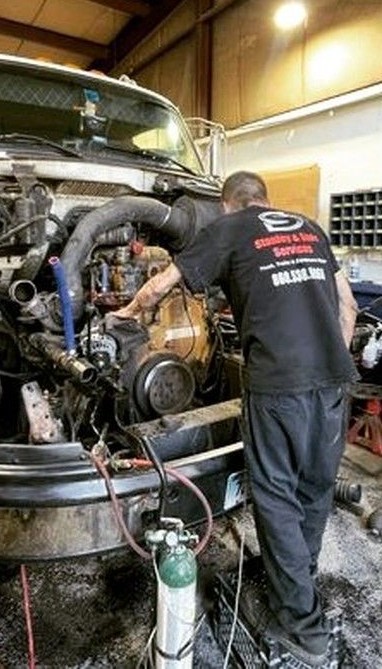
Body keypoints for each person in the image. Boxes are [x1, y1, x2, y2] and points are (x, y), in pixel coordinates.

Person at [113, 171, 358, 666]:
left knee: (276, 497)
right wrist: (328, 366)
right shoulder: (309, 227)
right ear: (264, 197)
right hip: (335, 382)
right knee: (313, 490)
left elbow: (162, 285)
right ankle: (296, 586)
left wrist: (124, 315)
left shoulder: (231, 228)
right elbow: (347, 306)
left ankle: (300, 627)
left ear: (228, 205)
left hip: (279, 388)